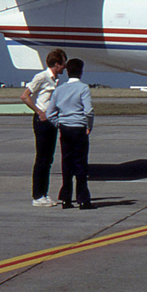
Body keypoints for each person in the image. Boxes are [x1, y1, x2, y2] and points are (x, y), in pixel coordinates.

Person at [46, 58, 95, 210]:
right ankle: (83, 199)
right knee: (81, 164)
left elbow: (50, 113)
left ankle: (66, 198)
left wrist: (58, 123)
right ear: (81, 71)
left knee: (66, 163)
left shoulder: (59, 89)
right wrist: (89, 126)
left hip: (65, 128)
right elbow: (88, 110)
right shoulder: (83, 88)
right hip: (79, 128)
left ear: (67, 71)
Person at [21, 48, 67, 207]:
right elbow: (24, 96)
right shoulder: (42, 77)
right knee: (41, 158)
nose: (65, 67)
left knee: (48, 158)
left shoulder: (55, 79)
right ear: (57, 64)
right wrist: (39, 111)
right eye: (63, 64)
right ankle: (37, 196)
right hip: (42, 121)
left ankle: (44, 194)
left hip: (52, 121)